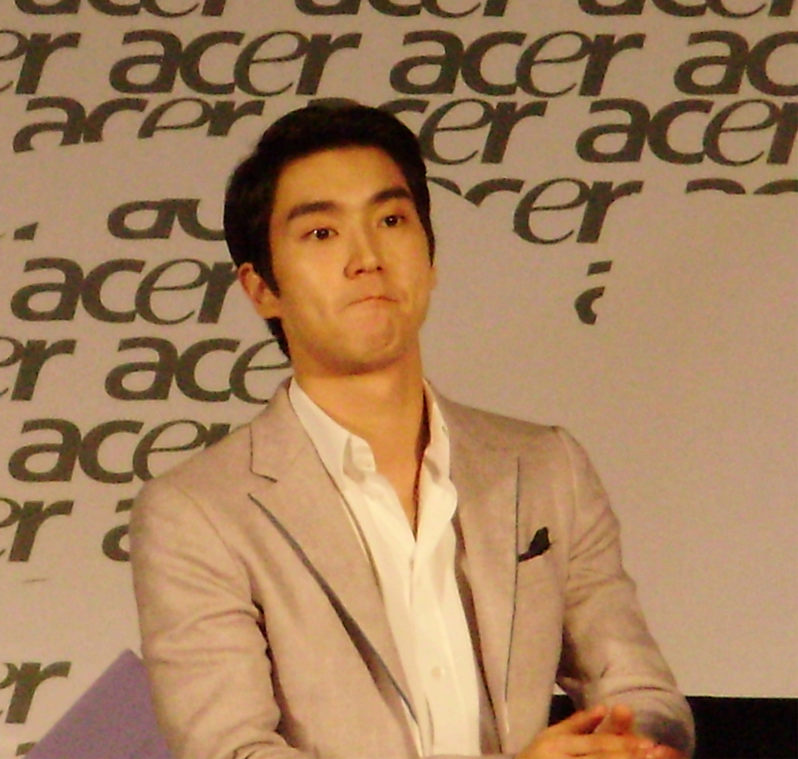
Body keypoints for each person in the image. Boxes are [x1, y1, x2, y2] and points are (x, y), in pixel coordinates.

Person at [129, 103, 694, 759]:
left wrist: (629, 745)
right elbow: (233, 751)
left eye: (391, 220)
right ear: (261, 289)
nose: (366, 258)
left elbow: (642, 691)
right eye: (321, 233)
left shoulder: (546, 466)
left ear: (430, 256)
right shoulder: (198, 513)